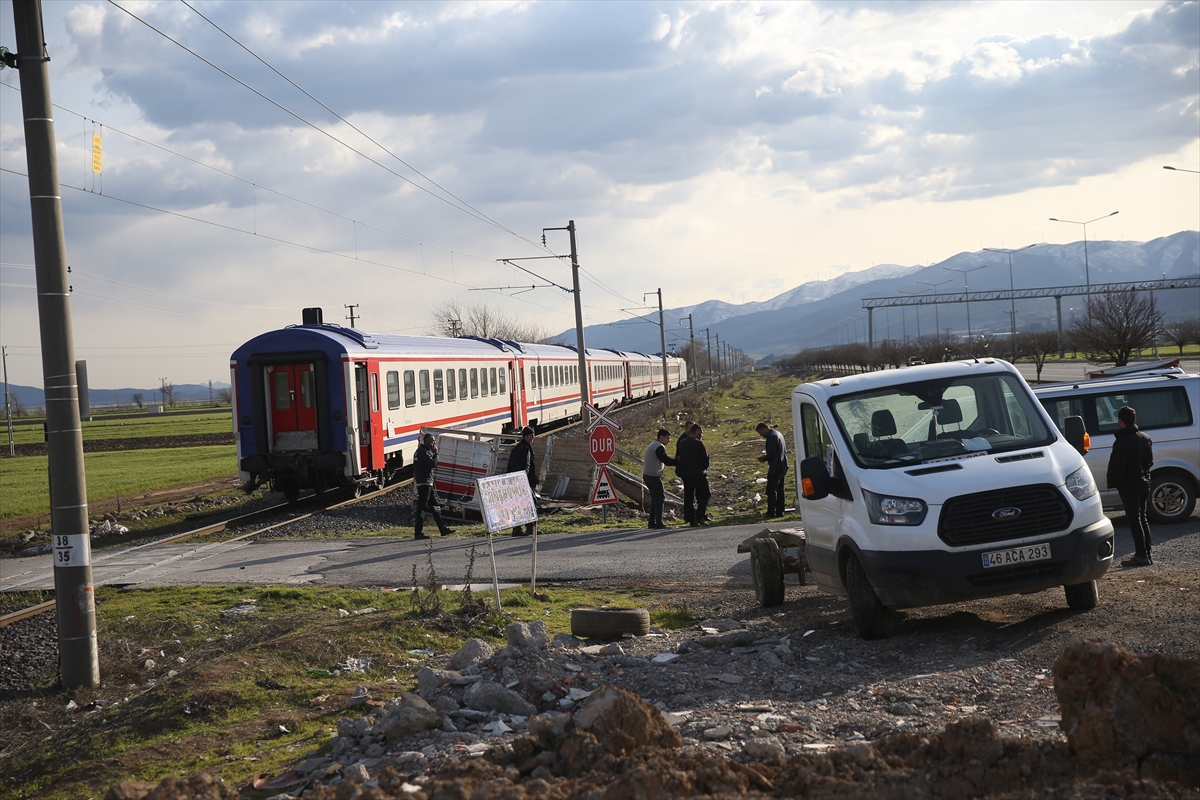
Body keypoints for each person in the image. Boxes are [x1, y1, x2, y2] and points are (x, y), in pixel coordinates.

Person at [1107, 406, 1154, 567]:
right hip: (1144, 483)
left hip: (1129, 485)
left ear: (1121, 421)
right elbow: (1150, 461)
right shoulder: (1145, 438)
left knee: (1134, 520)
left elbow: (1119, 467)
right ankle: (1147, 552)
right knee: (1142, 517)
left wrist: (1116, 483)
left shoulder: (1121, 442)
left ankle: (1141, 555)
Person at [413, 433, 455, 539]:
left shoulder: (423, 451)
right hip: (424, 484)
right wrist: (436, 453)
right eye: (432, 441)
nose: (434, 443)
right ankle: (418, 532)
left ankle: (442, 528)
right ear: (428, 442)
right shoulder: (422, 452)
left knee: (435, 505)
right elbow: (433, 463)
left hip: (428, 483)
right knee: (422, 507)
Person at [643, 428, 679, 529]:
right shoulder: (659, 446)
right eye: (667, 438)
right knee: (660, 499)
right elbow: (665, 460)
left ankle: (652, 522)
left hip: (648, 475)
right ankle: (658, 522)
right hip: (653, 475)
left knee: (655, 499)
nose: (668, 440)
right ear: (661, 437)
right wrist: (678, 461)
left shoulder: (653, 444)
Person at [676, 423, 712, 527]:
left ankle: (690, 518)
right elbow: (705, 458)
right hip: (698, 473)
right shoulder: (698, 443)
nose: (701, 435)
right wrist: (704, 467)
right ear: (696, 432)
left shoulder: (681, 443)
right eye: (701, 432)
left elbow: (678, 458)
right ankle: (699, 516)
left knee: (688, 497)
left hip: (686, 473)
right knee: (705, 495)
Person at [507, 426, 538, 536]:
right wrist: (521, 481)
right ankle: (521, 528)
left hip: (524, 481)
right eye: (531, 435)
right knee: (528, 504)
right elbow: (517, 467)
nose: (533, 437)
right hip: (520, 482)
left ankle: (524, 528)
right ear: (525, 436)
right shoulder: (521, 449)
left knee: (525, 505)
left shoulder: (525, 447)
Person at [756, 422, 789, 519]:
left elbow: (772, 453)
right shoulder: (778, 434)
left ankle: (770, 513)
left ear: (764, 429)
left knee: (771, 490)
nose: (761, 435)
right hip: (783, 465)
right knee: (780, 489)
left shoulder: (771, 437)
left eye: (760, 432)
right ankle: (780, 512)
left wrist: (763, 458)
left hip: (776, 466)